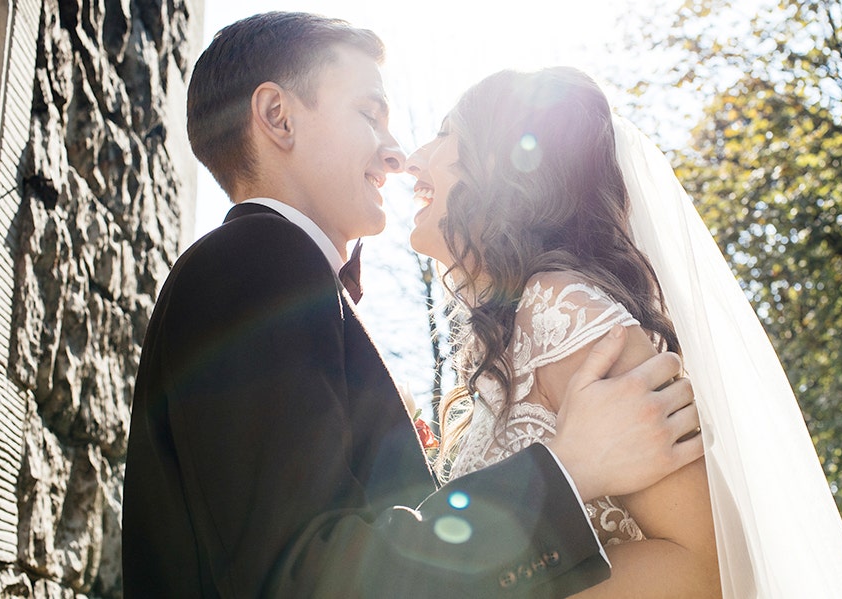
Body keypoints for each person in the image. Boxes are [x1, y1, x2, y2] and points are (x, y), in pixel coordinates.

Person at [121, 13, 704, 598]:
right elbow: (303, 578)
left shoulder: (277, 277)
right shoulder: (258, 262)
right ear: (279, 117)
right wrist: (568, 466)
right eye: (369, 115)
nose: (399, 154)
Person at [405, 67, 842, 597]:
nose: (413, 158)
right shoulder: (514, 332)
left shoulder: (561, 309)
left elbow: (705, 568)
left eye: (446, 133)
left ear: (501, 165)